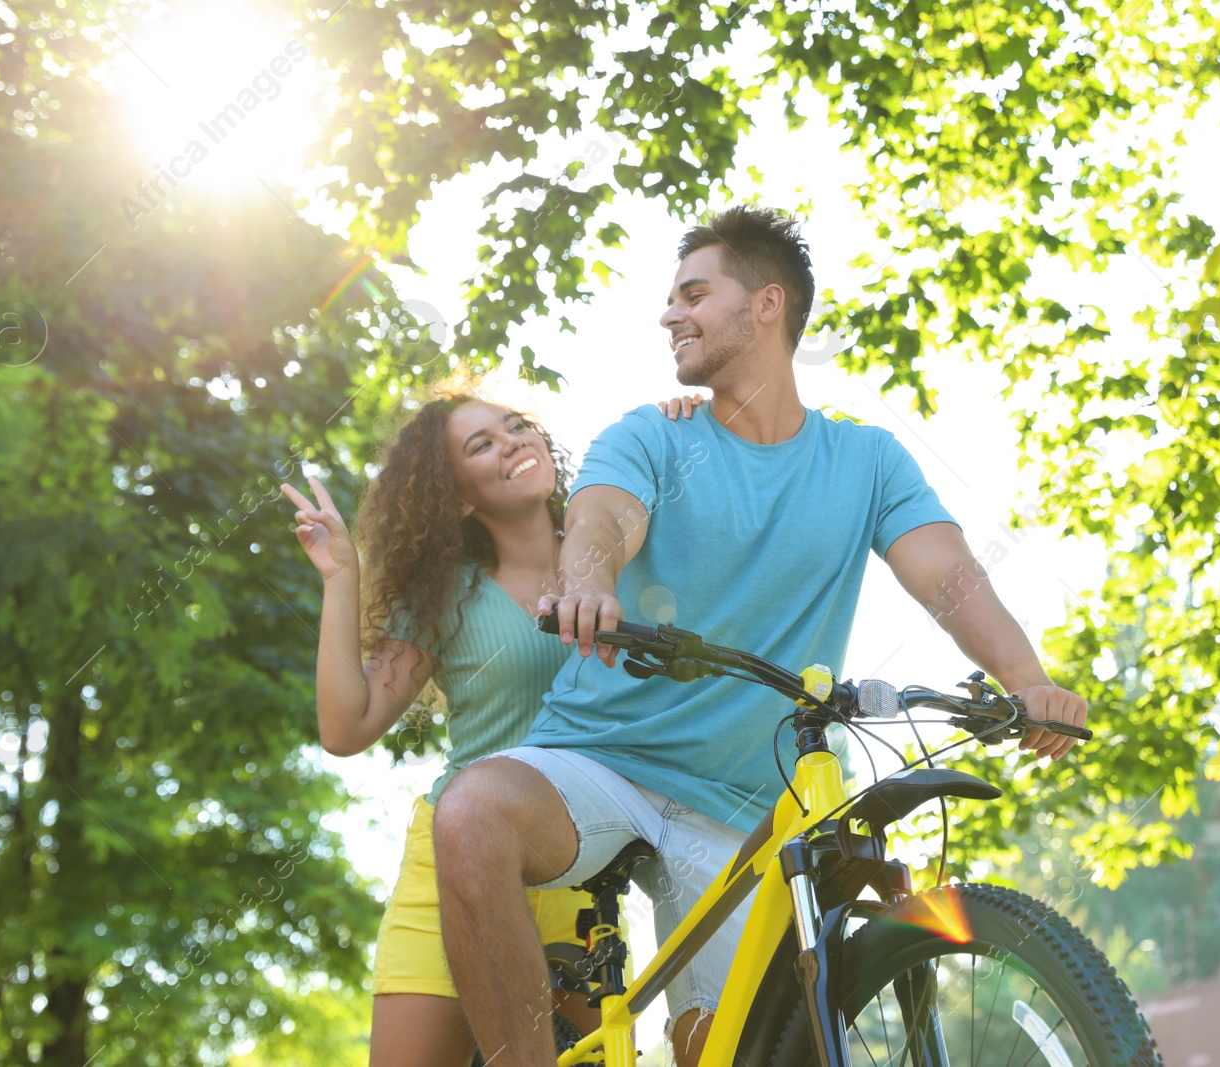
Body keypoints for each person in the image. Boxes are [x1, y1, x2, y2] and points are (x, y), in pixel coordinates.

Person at [431, 206, 1091, 1067]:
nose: (671, 314)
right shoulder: (653, 436)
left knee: (736, 1049)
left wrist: (1025, 677)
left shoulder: (869, 461)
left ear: (768, 303)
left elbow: (949, 575)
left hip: (746, 806)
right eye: (670, 299)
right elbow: (602, 518)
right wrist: (587, 581)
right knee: (472, 812)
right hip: (600, 758)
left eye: (694, 294)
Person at [280, 387, 703, 1067]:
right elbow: (346, 725)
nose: (510, 441)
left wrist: (688, 420)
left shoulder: (614, 553)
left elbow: (696, 514)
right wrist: (340, 577)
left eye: (514, 426)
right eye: (482, 444)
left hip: (578, 870)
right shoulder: (446, 596)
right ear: (457, 498)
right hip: (451, 863)